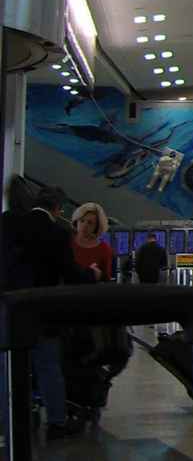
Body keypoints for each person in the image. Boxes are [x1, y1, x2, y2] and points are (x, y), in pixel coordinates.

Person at [3, 179, 91, 439]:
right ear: (56, 208)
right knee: (48, 367)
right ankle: (56, 421)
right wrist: (91, 275)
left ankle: (7, 419)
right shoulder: (59, 232)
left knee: (7, 365)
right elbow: (70, 273)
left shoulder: (8, 223)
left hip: (9, 307)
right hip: (42, 311)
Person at [70, 203, 114, 281]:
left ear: (96, 228)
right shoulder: (66, 242)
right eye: (82, 221)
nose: (84, 225)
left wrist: (97, 275)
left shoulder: (104, 249)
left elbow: (106, 279)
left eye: (90, 223)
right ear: (76, 222)